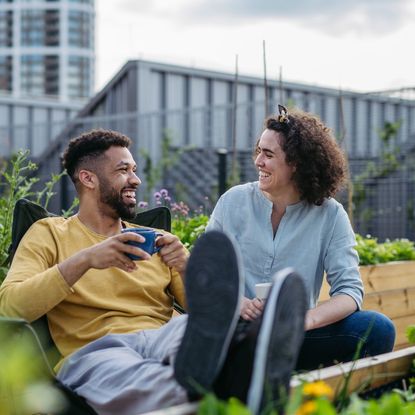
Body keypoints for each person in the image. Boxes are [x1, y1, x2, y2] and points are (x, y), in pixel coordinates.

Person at [0, 129, 307, 415]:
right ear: (88, 178)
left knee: (192, 332)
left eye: (134, 170)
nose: (135, 180)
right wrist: (85, 260)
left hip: (165, 335)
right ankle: (240, 378)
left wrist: (185, 265)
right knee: (147, 380)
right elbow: (11, 305)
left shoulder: (153, 238)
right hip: (97, 349)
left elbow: (200, 312)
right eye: (123, 170)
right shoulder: (49, 233)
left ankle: (244, 351)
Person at [206, 105, 396, 370]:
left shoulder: (330, 215)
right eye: (258, 151)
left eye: (268, 154)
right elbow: (206, 273)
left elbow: (350, 293)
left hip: (296, 337)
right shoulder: (232, 202)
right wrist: (238, 303)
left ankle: (345, 408)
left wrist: (304, 320)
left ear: (296, 164)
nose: (258, 161)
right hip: (235, 331)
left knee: (378, 329)